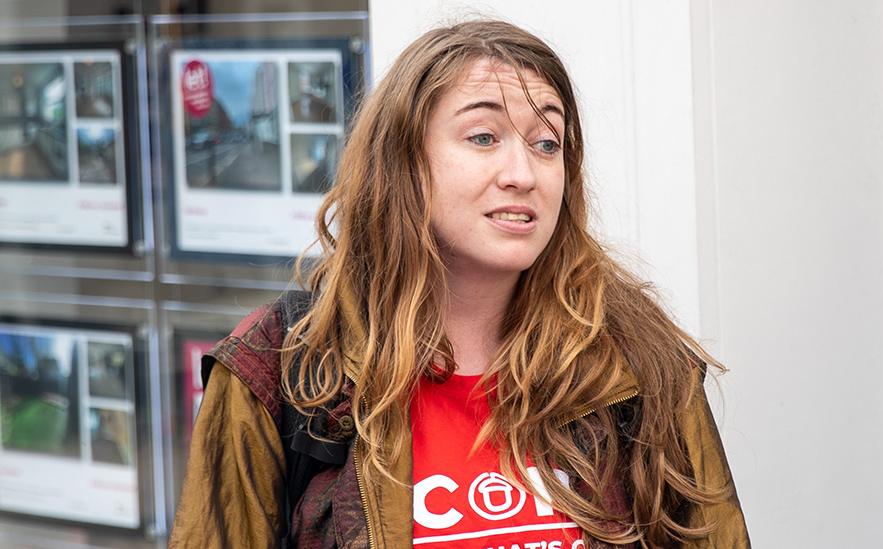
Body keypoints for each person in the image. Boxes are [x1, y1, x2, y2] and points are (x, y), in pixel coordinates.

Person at [169, 19, 750, 549]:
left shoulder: (633, 359)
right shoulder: (282, 365)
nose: (522, 174)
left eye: (547, 143)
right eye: (483, 137)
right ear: (404, 163)